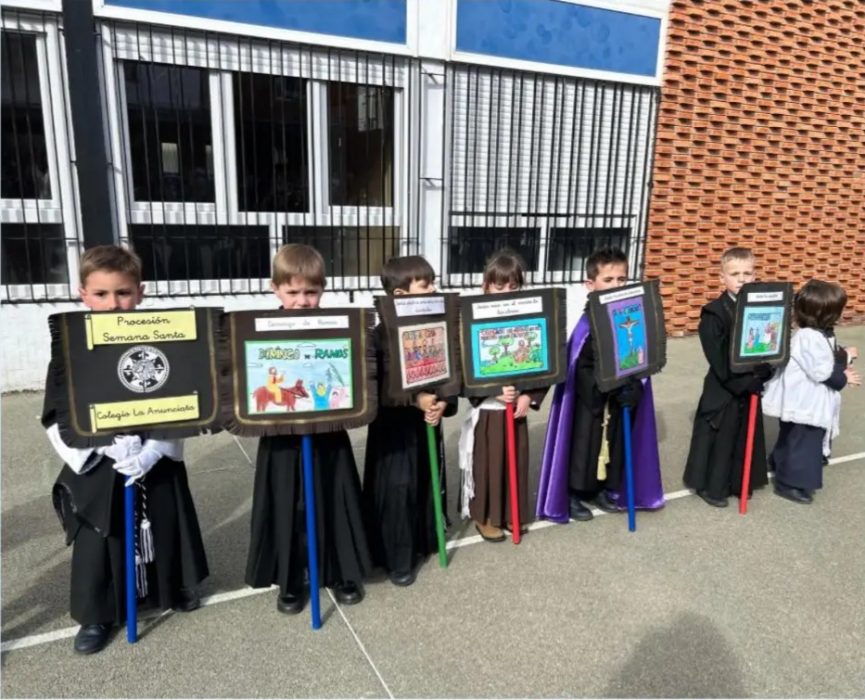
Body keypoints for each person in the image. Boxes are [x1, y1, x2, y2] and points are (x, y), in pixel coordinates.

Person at [45, 245, 208, 654]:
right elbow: (54, 413)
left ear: (140, 292)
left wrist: (153, 450)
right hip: (101, 461)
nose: (113, 304)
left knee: (165, 520)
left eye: (123, 293)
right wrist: (101, 448)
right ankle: (98, 613)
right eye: (101, 294)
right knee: (102, 535)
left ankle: (172, 587)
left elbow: (182, 399)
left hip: (152, 453)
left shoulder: (163, 337)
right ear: (83, 294)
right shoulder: (71, 348)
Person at [245, 244, 371, 612]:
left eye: (311, 292)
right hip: (281, 438)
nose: (302, 300)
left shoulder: (336, 326)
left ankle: (342, 571)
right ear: (275, 289)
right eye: (293, 292)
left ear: (322, 290)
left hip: (328, 434)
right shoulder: (260, 329)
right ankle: (291, 578)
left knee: (335, 496)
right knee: (288, 504)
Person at [537, 247, 664, 523]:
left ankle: (602, 488)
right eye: (608, 280)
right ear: (590, 285)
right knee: (584, 444)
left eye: (622, 279)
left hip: (619, 399)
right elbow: (580, 367)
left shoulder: (629, 317)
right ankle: (573, 493)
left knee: (613, 443)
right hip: (590, 401)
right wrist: (604, 387)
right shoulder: (585, 324)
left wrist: (634, 388)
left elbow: (637, 356)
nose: (616, 285)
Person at [362, 255, 455, 586]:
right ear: (400, 295)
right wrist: (415, 399)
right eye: (425, 285)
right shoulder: (378, 335)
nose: (433, 289)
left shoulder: (438, 324)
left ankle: (422, 542)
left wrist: (443, 401)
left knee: (424, 483)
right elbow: (378, 382)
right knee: (397, 489)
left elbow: (450, 369)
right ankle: (395, 557)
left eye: (432, 283)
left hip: (426, 423)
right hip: (394, 430)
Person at [457, 250, 547, 541]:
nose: (507, 293)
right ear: (486, 287)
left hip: (516, 408)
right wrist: (493, 390)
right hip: (490, 409)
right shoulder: (471, 321)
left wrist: (528, 396)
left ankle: (512, 513)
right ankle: (486, 515)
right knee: (488, 464)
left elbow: (543, 364)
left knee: (515, 463)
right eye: (499, 286)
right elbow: (465, 369)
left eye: (514, 287)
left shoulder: (530, 318)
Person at [682, 246, 773, 507]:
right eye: (735, 273)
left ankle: (738, 482)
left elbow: (768, 343)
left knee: (744, 433)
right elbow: (719, 359)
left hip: (750, 385)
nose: (742, 279)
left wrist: (766, 369)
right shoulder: (713, 314)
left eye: (748, 272)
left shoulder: (761, 308)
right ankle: (711, 486)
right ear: (722, 277)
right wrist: (745, 381)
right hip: (725, 387)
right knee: (720, 436)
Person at [763, 280, 860, 503]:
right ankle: (789, 484)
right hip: (804, 402)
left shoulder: (818, 333)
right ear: (824, 314)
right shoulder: (809, 337)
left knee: (792, 437)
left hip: (802, 399)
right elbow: (821, 371)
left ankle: (778, 460)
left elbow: (828, 355)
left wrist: (844, 355)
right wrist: (844, 377)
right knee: (803, 442)